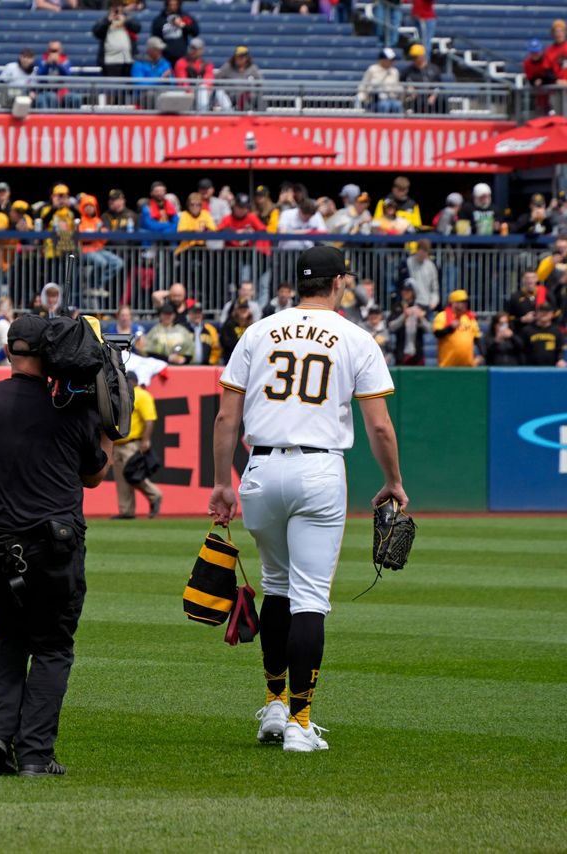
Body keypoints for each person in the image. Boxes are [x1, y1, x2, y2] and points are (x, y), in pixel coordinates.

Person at [210, 244, 407, 754]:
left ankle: (275, 706)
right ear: (338, 282)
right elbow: (379, 425)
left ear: (299, 284)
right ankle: (300, 721)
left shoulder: (257, 331)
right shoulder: (356, 337)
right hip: (319, 469)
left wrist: (220, 483)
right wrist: (394, 481)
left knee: (276, 587)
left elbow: (226, 418)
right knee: (310, 597)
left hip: (259, 467)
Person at [0, 314, 110, 777]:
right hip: (55, 546)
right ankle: (35, 753)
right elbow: (94, 477)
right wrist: (107, 423)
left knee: (8, 634)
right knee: (53, 646)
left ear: (10, 349)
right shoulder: (71, 407)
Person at [111, 373, 162, 520]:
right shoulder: (121, 396)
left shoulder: (142, 395)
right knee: (121, 479)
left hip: (133, 443)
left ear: (132, 381)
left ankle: (155, 494)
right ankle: (126, 511)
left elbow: (149, 420)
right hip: (118, 444)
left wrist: (146, 440)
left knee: (133, 474)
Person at [433, 289, 482, 367]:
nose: (463, 304)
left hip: (468, 366)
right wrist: (450, 328)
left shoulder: (469, 318)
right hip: (447, 366)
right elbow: (437, 334)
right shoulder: (442, 316)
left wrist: (482, 355)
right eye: (460, 302)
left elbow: (477, 338)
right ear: (453, 303)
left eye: (465, 302)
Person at [92, 0, 140, 80]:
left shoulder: (127, 19)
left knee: (127, 89)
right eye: (114, 6)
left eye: (119, 6)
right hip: (111, 61)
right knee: (113, 89)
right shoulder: (105, 20)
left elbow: (137, 28)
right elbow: (96, 32)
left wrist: (126, 21)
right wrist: (108, 21)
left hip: (127, 59)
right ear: (110, 8)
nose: (117, 8)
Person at [518, 303, 566, 368]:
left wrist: (561, 360)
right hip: (530, 369)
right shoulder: (527, 330)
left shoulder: (557, 331)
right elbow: (520, 349)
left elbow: (560, 349)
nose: (544, 314)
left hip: (552, 369)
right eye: (541, 311)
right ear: (536, 313)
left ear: (552, 314)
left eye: (547, 312)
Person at [151, 0, 197, 64]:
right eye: (171, 5)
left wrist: (182, 25)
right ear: (167, 5)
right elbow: (155, 37)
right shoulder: (160, 19)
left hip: (182, 56)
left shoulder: (184, 17)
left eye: (175, 5)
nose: (173, 7)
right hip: (165, 57)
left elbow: (195, 32)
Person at [358, 48, 403, 113]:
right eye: (389, 60)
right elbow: (363, 85)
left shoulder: (394, 71)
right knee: (384, 105)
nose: (392, 61)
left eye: (392, 60)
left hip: (392, 98)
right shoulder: (372, 69)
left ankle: (398, 123)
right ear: (382, 59)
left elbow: (397, 85)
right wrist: (362, 97)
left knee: (397, 105)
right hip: (375, 99)